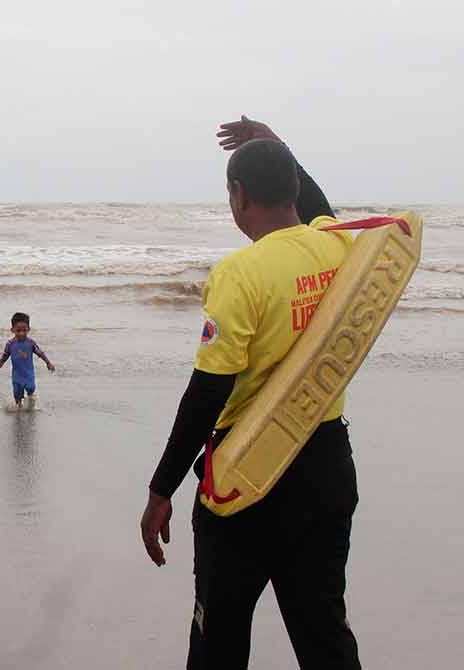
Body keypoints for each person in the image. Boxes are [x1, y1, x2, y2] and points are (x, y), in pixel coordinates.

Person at [139, 117, 362, 669]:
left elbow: (208, 392)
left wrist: (161, 487)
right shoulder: (340, 250)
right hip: (326, 466)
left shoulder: (240, 273)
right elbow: (320, 206)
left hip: (247, 478)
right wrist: (279, 146)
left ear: (238, 196)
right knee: (324, 632)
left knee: (218, 639)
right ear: (290, 189)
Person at [0, 312, 55, 408]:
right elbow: (4, 357)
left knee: (31, 388)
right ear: (12, 330)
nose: (21, 333)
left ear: (28, 329)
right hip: (16, 375)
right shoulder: (10, 344)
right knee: (17, 394)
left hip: (29, 374)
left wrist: (48, 363)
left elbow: (40, 353)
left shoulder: (31, 343)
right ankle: (19, 410)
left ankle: (30, 403)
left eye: (24, 330)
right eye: (18, 330)